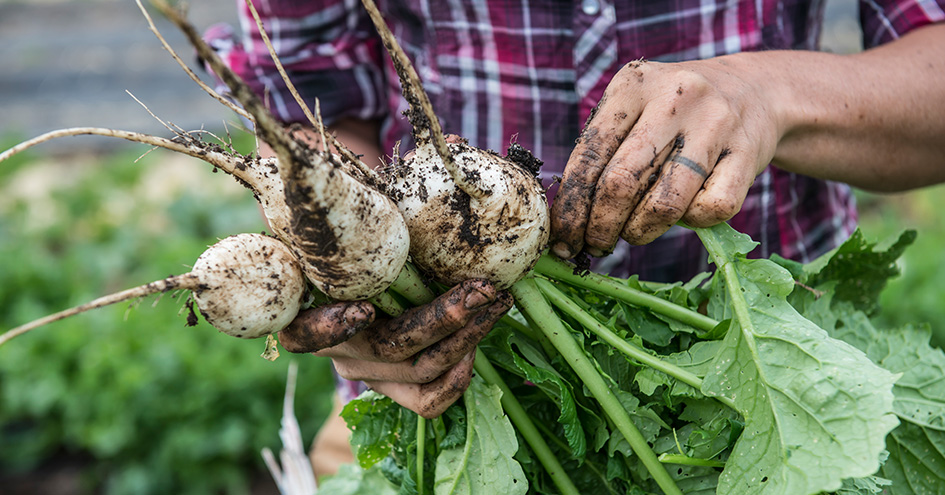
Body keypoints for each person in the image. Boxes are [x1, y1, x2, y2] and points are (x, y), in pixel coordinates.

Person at [205, 0, 945, 476]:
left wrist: (770, 93)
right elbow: (306, 99)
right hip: (442, 386)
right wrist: (362, 274)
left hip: (782, 373)